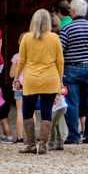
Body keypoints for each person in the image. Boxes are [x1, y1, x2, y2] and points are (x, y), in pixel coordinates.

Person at [13, 8, 64, 155]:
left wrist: (16, 79)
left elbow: (21, 61)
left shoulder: (27, 38)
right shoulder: (54, 38)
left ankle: (30, 144)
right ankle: (43, 144)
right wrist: (60, 79)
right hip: (50, 78)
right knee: (47, 111)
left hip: (31, 78)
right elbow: (60, 61)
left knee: (27, 111)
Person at [58, 0, 88, 145]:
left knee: (72, 102)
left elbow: (60, 51)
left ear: (72, 11)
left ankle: (73, 136)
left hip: (71, 67)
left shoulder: (66, 29)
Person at [9, 37, 26, 143]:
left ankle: (20, 137)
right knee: (31, 111)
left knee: (20, 111)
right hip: (30, 85)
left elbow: (11, 74)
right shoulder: (32, 56)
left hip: (18, 86)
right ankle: (31, 137)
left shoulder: (16, 57)